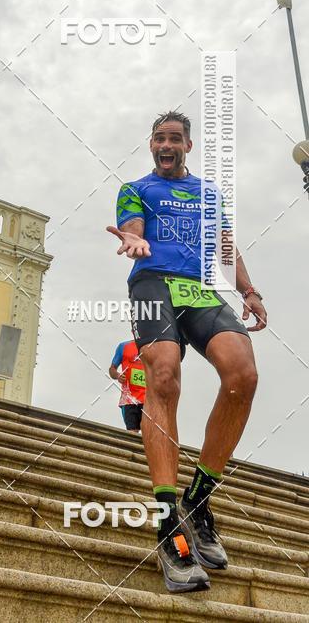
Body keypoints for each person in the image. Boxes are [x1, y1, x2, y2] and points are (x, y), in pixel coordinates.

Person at [107, 110, 267, 594]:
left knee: (243, 374)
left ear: (188, 146)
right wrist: (134, 239)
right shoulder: (136, 188)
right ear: (152, 145)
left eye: (175, 138)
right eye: (159, 138)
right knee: (164, 376)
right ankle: (166, 523)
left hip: (199, 289)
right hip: (153, 282)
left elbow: (224, 245)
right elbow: (133, 225)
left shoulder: (208, 194)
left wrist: (249, 290)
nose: (167, 144)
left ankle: (197, 501)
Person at [109, 339, 146, 433]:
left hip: (149, 399)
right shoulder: (123, 346)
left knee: (149, 433)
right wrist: (118, 376)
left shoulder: (154, 347)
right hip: (129, 399)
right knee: (132, 432)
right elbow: (112, 369)